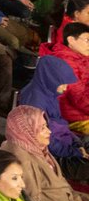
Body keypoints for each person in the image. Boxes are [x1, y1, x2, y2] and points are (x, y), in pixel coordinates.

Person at [1, 105, 89, 201]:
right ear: (28, 130)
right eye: (42, 128)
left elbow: (60, 180)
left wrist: (77, 200)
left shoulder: (35, 146)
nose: (49, 131)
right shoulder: (21, 160)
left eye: (46, 126)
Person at [19, 39, 89, 182]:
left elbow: (60, 124)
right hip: (52, 158)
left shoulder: (46, 91)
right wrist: (75, 151)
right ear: (51, 79)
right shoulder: (35, 104)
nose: (65, 89)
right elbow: (46, 142)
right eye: (62, 84)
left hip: (64, 143)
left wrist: (77, 143)